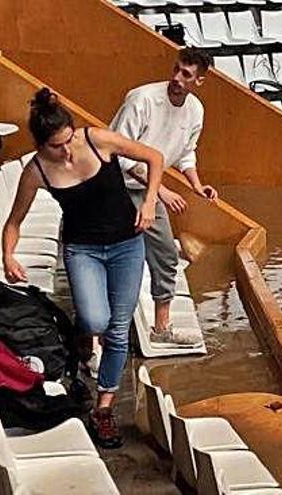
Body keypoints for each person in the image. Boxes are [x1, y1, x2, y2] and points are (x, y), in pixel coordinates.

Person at [3, 88, 164, 448]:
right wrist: (8, 256)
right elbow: (14, 221)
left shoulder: (95, 139)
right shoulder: (36, 170)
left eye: (67, 141)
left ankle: (104, 408)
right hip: (83, 249)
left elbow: (154, 157)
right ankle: (80, 338)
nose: (65, 151)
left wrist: (150, 201)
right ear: (41, 145)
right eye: (55, 146)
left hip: (126, 243)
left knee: (118, 329)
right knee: (94, 321)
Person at [109, 47, 217, 344]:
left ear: (199, 81)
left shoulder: (195, 109)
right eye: (176, 69)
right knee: (115, 256)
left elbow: (186, 153)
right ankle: (100, 336)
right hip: (114, 186)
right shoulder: (141, 99)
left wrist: (196, 184)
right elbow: (120, 157)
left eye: (186, 74)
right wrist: (162, 191)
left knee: (166, 255)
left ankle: (161, 329)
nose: (177, 78)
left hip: (149, 190)